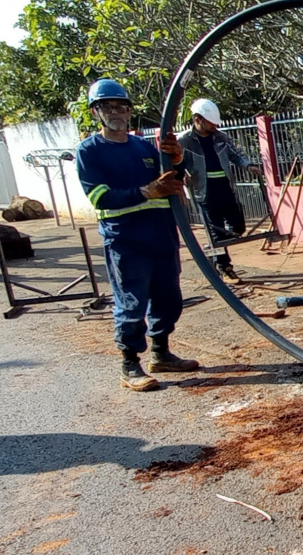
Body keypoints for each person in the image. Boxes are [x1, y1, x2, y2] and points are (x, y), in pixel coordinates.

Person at [76, 78, 200, 392]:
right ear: (96, 112)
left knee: (168, 298)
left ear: (130, 111)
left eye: (121, 106)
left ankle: (161, 353)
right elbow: (100, 197)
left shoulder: (144, 146)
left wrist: (176, 157)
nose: (116, 112)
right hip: (126, 240)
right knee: (131, 301)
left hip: (161, 233)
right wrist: (146, 191)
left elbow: (174, 177)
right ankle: (130, 363)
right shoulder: (90, 151)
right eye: (108, 107)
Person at [177, 98, 261, 285]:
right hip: (204, 192)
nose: (214, 126)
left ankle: (212, 251)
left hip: (225, 188)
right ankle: (225, 267)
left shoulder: (221, 138)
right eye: (210, 123)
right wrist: (181, 176)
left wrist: (248, 165)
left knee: (237, 227)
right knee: (217, 233)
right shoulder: (184, 141)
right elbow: (176, 163)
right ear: (198, 120)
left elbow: (235, 154)